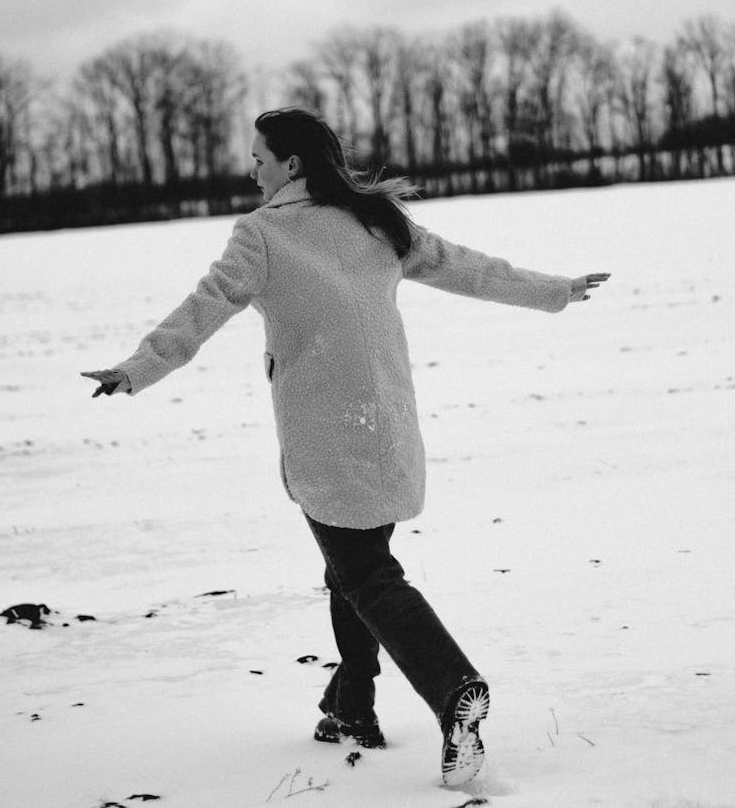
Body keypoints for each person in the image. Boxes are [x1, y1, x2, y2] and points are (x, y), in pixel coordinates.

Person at [82, 106, 610, 789]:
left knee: (365, 575)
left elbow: (204, 305)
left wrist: (136, 368)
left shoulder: (263, 234)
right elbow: (463, 266)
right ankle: (351, 706)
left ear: (291, 164)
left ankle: (456, 693)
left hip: (327, 438)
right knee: (353, 565)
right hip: (386, 427)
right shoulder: (374, 218)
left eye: (259, 158)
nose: (252, 169)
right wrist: (551, 290)